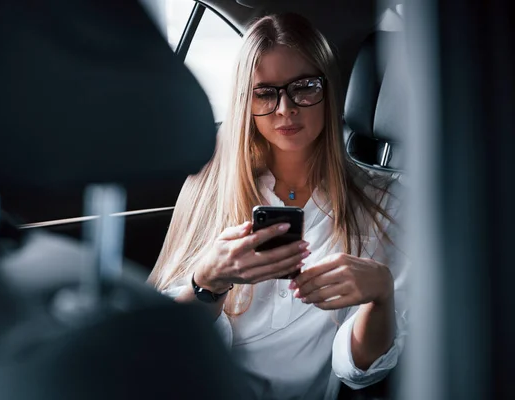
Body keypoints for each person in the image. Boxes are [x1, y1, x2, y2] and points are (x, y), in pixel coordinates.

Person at [148, 13, 407, 400]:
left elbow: (358, 373)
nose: (286, 109)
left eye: (303, 87)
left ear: (328, 90)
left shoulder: (385, 204)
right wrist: (206, 284)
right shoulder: (209, 184)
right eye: (265, 93)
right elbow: (167, 347)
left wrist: (380, 297)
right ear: (245, 102)